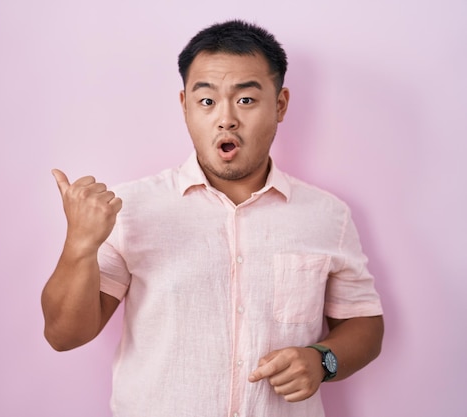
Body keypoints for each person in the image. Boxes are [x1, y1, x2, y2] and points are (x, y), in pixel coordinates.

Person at [41, 19, 384, 417]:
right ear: (184, 105)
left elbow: (364, 324)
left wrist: (322, 360)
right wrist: (80, 244)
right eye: (207, 101)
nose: (226, 119)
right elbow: (64, 335)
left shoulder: (328, 215)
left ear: (280, 105)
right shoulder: (128, 208)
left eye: (246, 100)